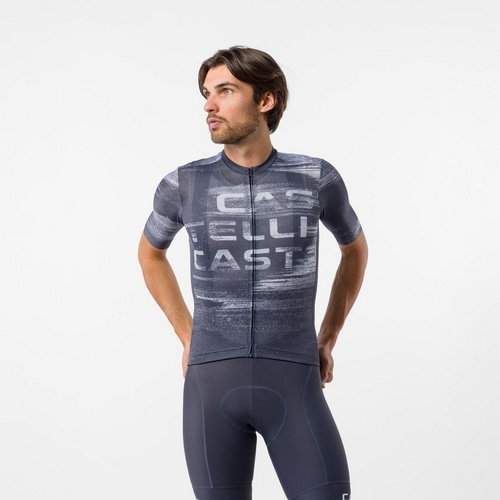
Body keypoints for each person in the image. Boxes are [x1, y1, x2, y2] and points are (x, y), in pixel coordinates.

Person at [138, 46, 368, 500]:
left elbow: (355, 251)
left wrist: (328, 337)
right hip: (210, 388)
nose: (209, 105)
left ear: (266, 100)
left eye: (225, 91)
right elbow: (150, 255)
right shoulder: (183, 184)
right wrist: (188, 336)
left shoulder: (315, 177)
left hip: (295, 381)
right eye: (207, 94)